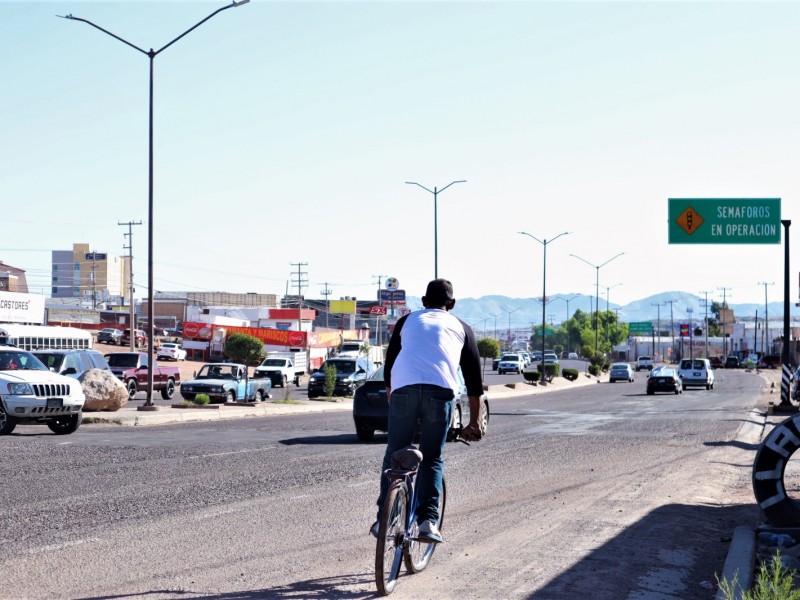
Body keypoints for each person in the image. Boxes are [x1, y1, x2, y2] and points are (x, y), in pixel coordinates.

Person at [372, 278, 484, 543]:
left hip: (403, 391)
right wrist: (475, 422)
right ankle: (428, 522)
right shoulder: (462, 327)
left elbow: (390, 369)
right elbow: (474, 383)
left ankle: (384, 519)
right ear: (452, 304)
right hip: (440, 392)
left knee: (395, 455)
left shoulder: (407, 321)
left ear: (422, 303)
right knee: (431, 457)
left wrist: (396, 405)